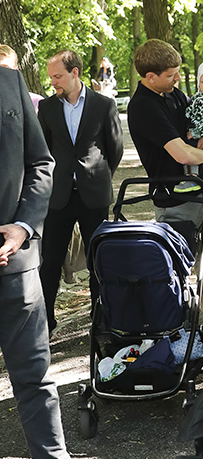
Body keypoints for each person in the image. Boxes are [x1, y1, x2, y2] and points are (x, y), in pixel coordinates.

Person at [0, 65, 94, 459]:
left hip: (15, 264)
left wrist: (21, 226)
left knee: (36, 378)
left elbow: (41, 163)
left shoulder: (9, 81)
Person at [126, 39, 203, 362]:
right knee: (181, 273)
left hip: (201, 188)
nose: (177, 80)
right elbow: (183, 150)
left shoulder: (173, 95)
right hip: (175, 198)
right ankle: (180, 336)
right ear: (150, 76)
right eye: (171, 75)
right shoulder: (143, 106)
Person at [37, 49, 124, 331]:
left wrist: (97, 176)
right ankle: (45, 321)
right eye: (51, 77)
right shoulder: (48, 108)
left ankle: (101, 319)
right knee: (49, 262)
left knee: (99, 261)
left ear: (75, 73)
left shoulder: (103, 105)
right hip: (58, 196)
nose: (53, 82)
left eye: (58, 76)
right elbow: (45, 151)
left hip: (94, 195)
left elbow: (115, 150)